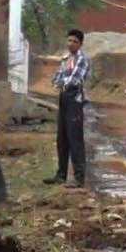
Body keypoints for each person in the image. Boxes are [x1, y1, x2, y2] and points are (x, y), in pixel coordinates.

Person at [44, 29, 90, 188]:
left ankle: (79, 178)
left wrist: (62, 82)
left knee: (75, 139)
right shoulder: (66, 58)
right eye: (69, 40)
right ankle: (61, 175)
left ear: (80, 44)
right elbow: (56, 79)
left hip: (75, 100)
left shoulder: (82, 59)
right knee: (62, 138)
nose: (71, 44)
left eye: (75, 41)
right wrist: (61, 82)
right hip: (64, 98)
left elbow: (74, 80)